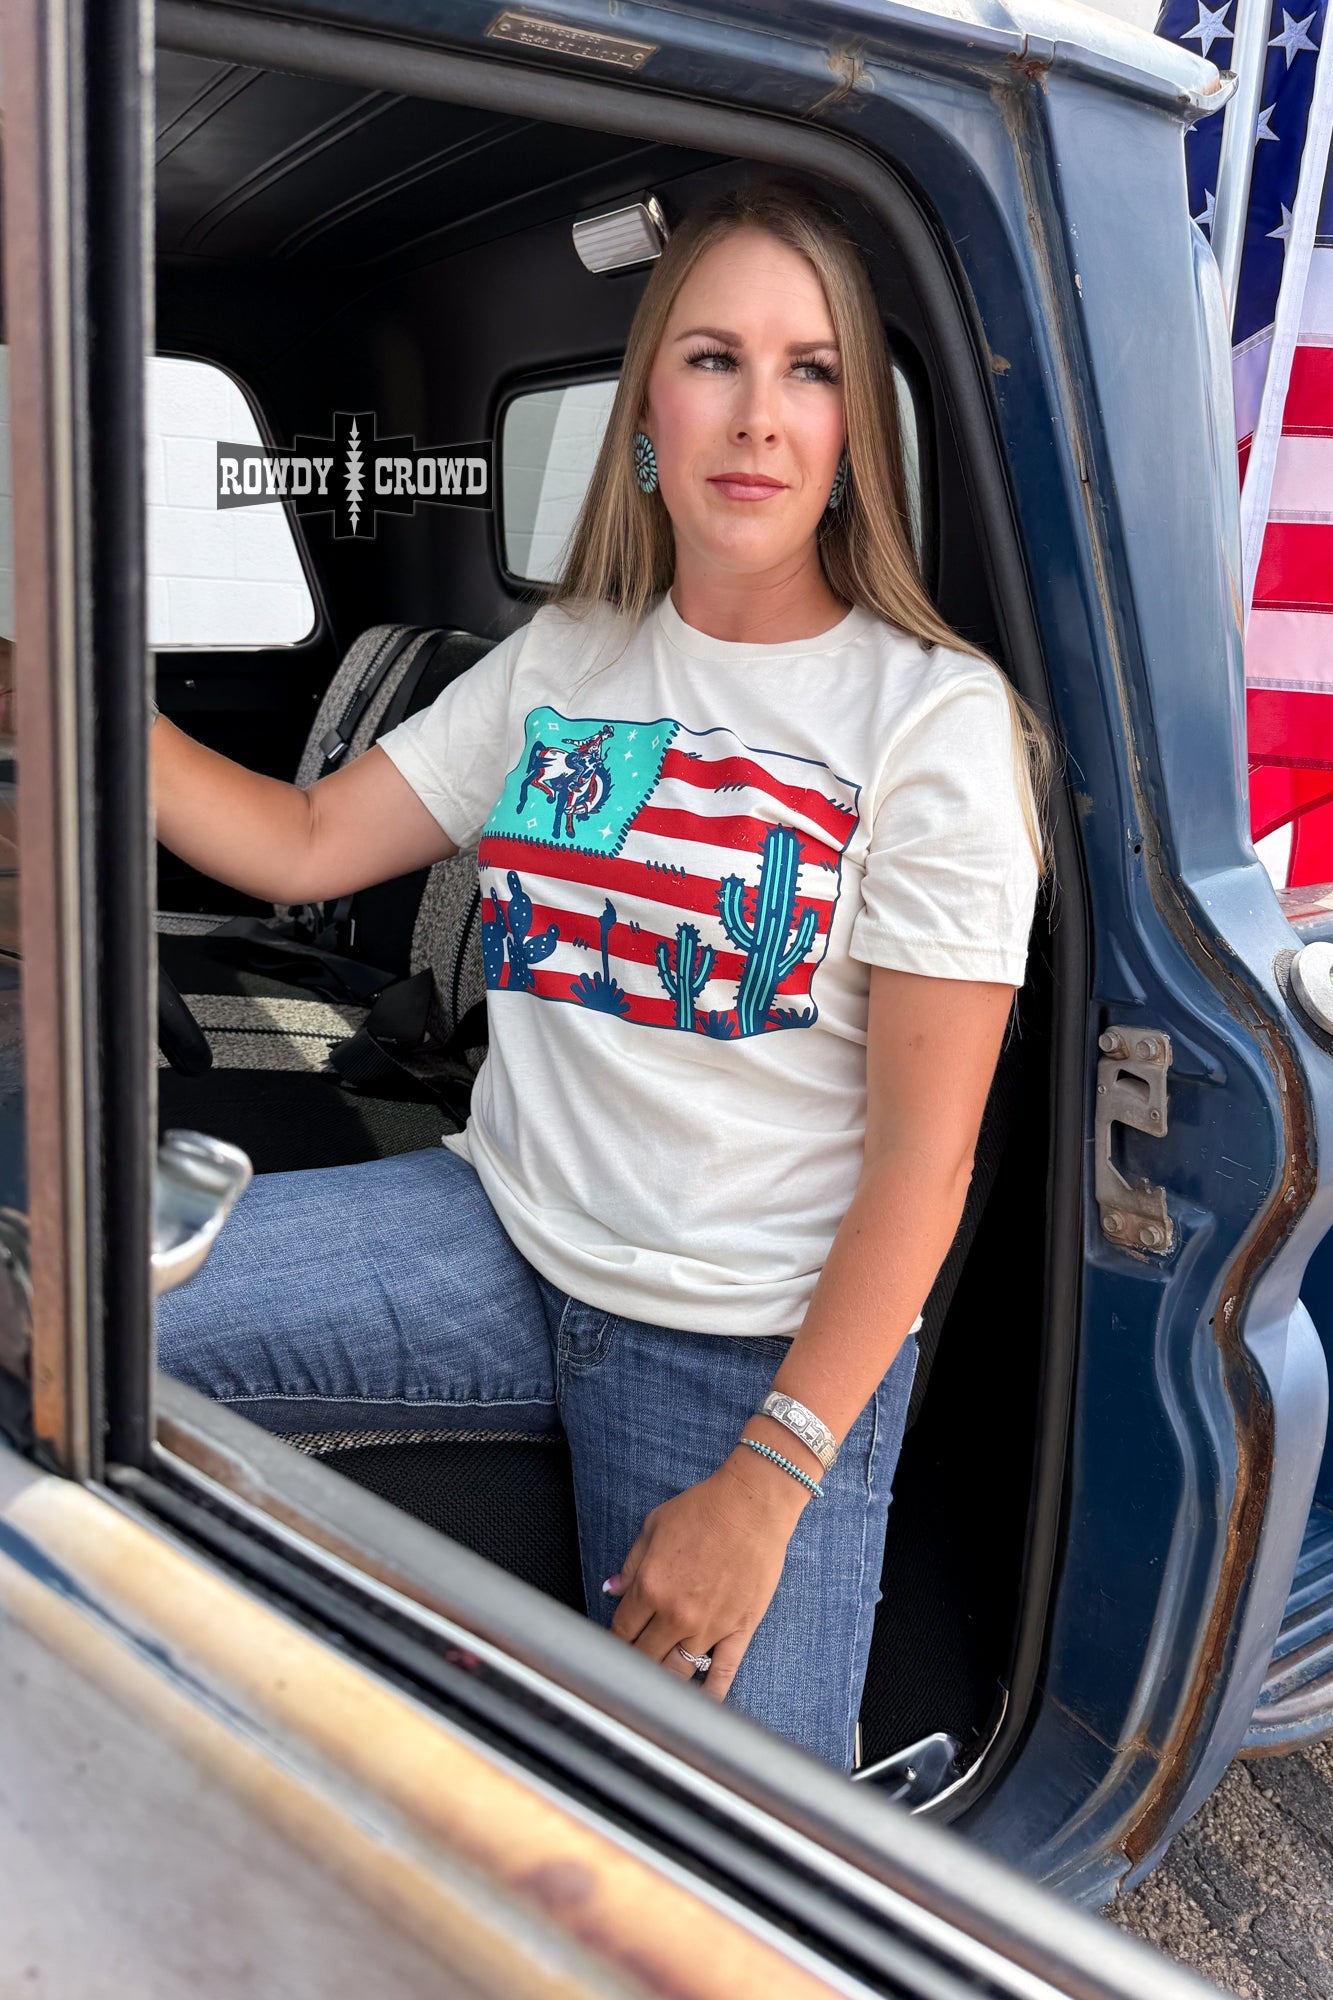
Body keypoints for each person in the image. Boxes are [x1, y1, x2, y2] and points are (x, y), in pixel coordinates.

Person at [153, 181, 1048, 1771]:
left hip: (742, 1345)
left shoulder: (930, 719)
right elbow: (302, 843)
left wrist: (768, 1480)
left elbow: (924, 1166)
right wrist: (73, 688)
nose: (757, 415)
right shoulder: (572, 653)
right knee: (73, 1306)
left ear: (853, 431)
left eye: (809, 369)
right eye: (713, 358)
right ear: (645, 412)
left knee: (734, 1850)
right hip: (491, 1231)